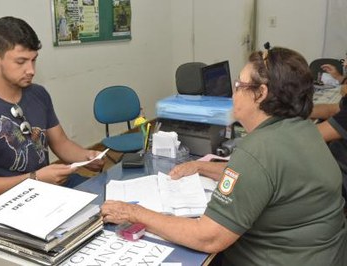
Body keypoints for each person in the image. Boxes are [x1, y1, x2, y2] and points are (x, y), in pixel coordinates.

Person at [101, 46, 347, 265]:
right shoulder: (304, 129)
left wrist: (135, 213)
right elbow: (267, 180)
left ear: (260, 93)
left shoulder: (258, 151)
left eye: (239, 85)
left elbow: (208, 237)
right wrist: (202, 167)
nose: (233, 93)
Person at [0, 16, 104, 208]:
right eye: (21, 61)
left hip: (46, 189)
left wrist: (85, 157)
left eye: (34, 60)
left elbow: (61, 142)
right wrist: (35, 179)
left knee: (108, 202)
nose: (31, 70)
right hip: (8, 204)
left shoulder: (38, 94)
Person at [311, 57, 347, 198]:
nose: (345, 63)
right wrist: (301, 110)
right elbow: (334, 109)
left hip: (340, 175)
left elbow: (313, 136)